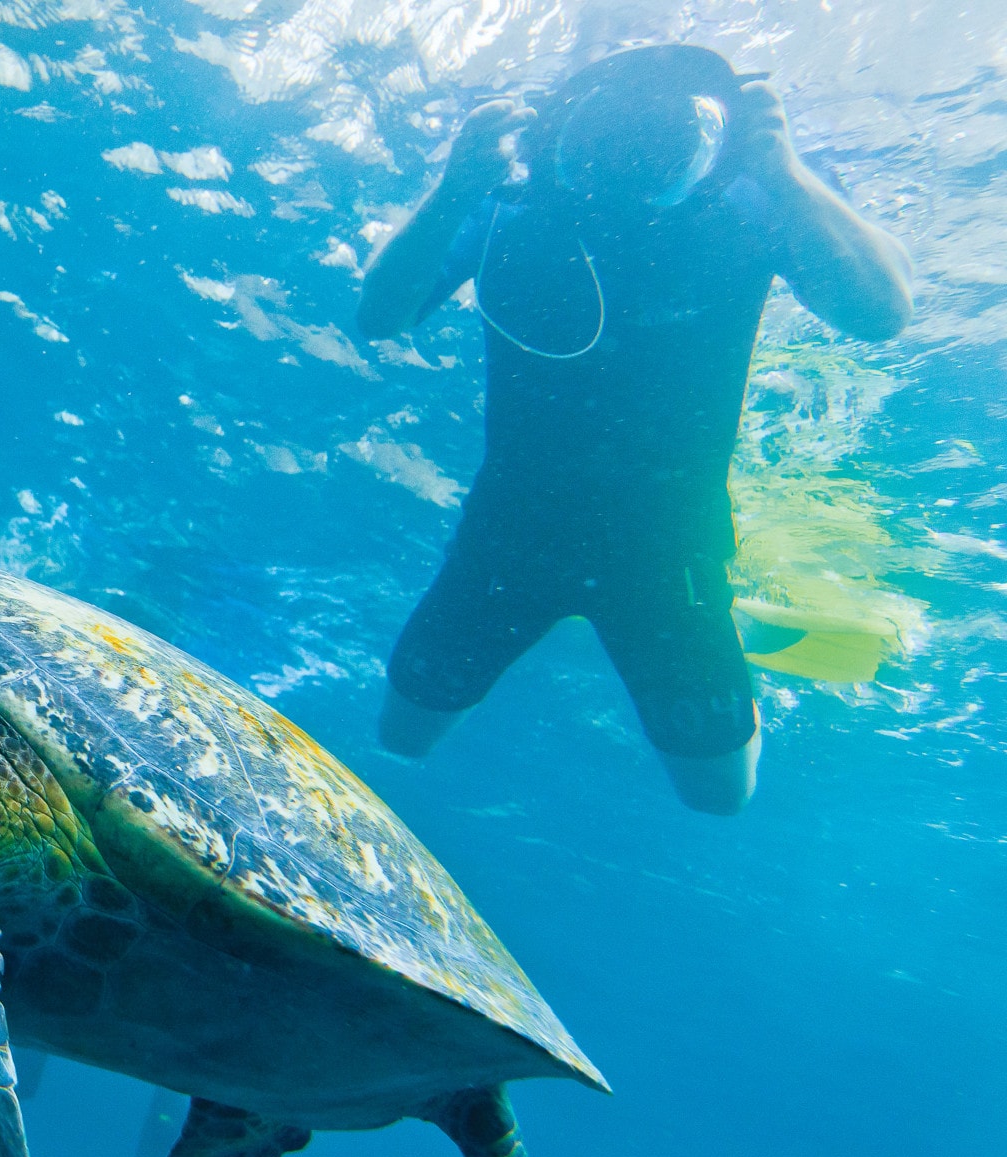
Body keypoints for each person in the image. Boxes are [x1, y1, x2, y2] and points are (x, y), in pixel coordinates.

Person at [355, 44, 912, 814]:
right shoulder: (510, 206)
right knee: (401, 739)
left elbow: (882, 314)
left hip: (670, 555)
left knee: (721, 796)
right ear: (561, 132)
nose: (632, 157)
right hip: (510, 537)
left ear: (718, 140)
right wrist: (455, 189)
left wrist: (784, 171)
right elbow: (378, 317)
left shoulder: (752, 202)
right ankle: (617, 629)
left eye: (667, 133)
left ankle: (723, 625)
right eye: (609, 132)